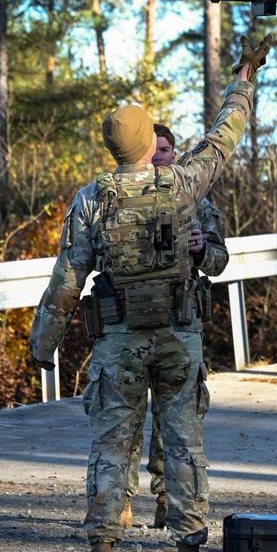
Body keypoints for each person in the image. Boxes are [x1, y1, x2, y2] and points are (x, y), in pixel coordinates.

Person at [29, 35, 272, 552]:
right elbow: (225, 135)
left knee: (113, 439)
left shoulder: (93, 198)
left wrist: (43, 346)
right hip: (178, 332)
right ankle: (188, 548)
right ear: (147, 141)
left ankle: (104, 546)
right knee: (183, 436)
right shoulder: (183, 184)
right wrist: (245, 76)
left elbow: (67, 279)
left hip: (117, 339)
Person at [120, 123, 182, 531]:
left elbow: (219, 258)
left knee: (171, 425)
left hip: (178, 326)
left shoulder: (189, 198)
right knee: (125, 423)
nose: (161, 157)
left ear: (174, 154)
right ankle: (121, 504)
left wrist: (204, 249)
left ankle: (166, 499)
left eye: (167, 150)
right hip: (127, 330)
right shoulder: (116, 198)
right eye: (154, 150)